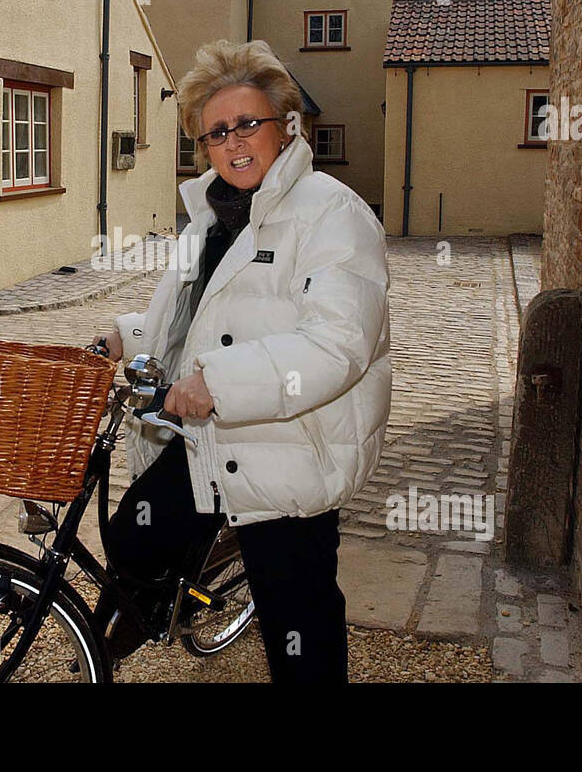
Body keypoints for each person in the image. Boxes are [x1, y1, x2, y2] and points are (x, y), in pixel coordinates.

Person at [90, 39, 392, 683]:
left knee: (298, 628)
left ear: (285, 127)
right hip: (206, 439)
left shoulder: (331, 214)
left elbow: (339, 344)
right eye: (215, 133)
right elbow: (197, 326)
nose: (232, 142)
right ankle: (162, 607)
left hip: (290, 451)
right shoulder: (212, 221)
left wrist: (217, 383)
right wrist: (126, 334)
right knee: (129, 538)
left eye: (247, 124)